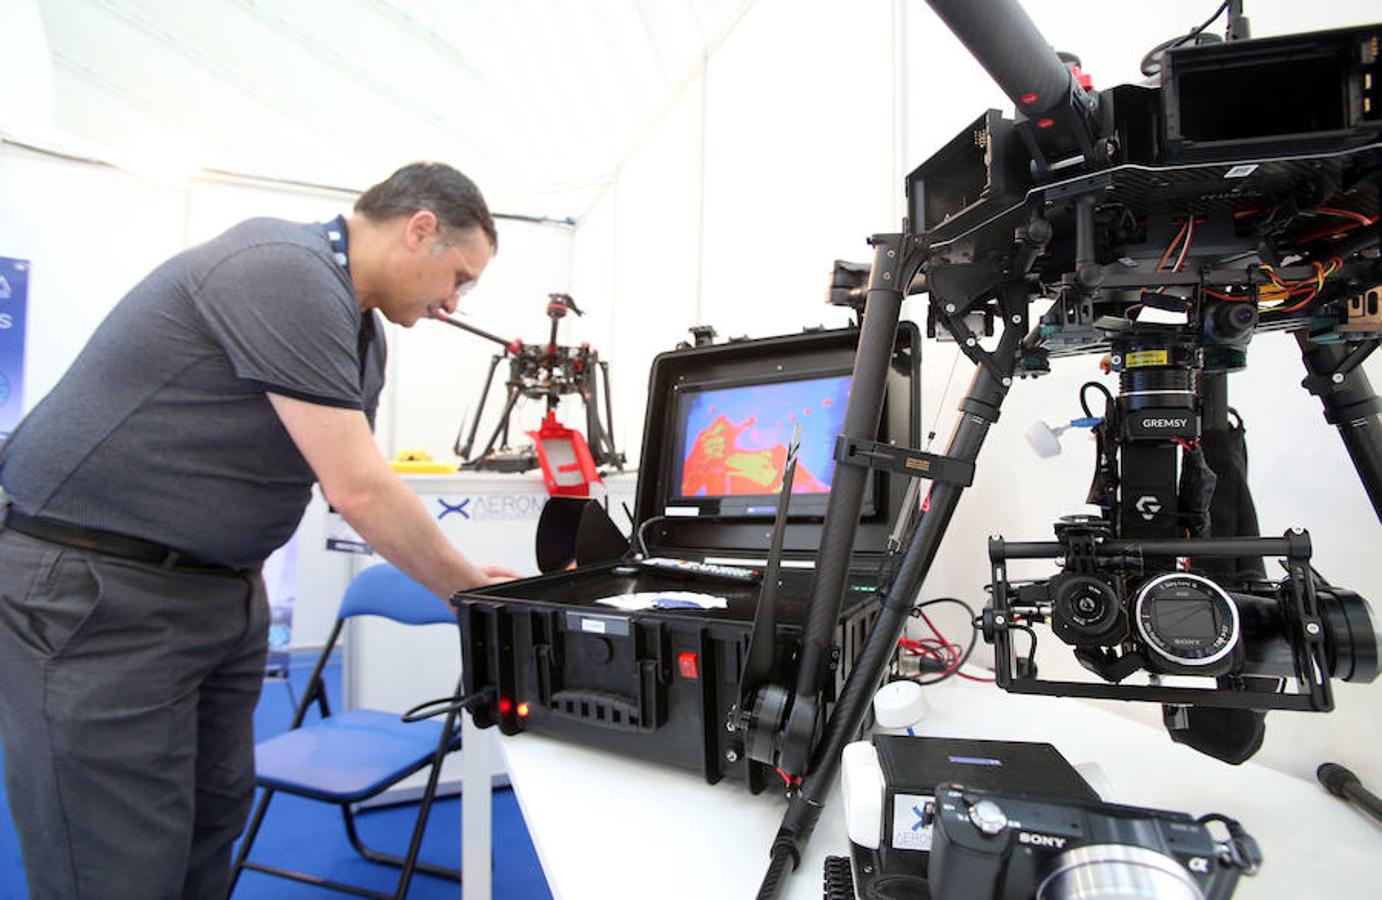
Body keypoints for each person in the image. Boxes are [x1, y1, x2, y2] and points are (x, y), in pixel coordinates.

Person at [0, 161, 519, 899]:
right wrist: (467, 589)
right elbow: (358, 485)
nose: (454, 301)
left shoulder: (363, 330)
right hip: (101, 594)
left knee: (210, 821)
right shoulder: (282, 267)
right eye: (460, 276)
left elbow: (343, 478)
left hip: (216, 594)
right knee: (114, 857)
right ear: (420, 230)